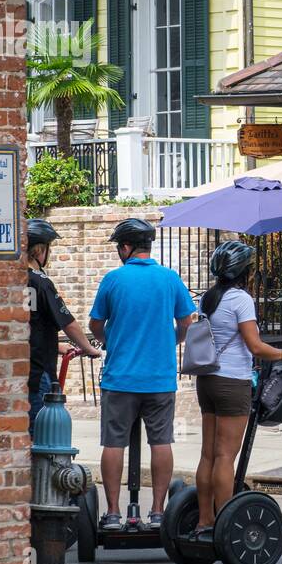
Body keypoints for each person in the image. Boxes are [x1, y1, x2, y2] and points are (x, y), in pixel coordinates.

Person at [88, 218, 196, 530]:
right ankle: (158, 512)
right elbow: (187, 322)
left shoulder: (113, 280)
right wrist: (169, 340)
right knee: (161, 441)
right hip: (159, 378)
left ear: (126, 247)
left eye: (118, 247)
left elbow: (96, 325)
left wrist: (112, 341)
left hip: (120, 377)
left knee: (113, 443)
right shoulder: (169, 278)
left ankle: (112, 513)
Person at [191, 241, 282, 540]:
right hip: (232, 382)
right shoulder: (240, 299)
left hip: (208, 380)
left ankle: (205, 520)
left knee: (208, 455)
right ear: (244, 271)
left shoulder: (208, 299)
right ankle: (225, 527)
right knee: (226, 456)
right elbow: (255, 346)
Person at [25, 218, 100, 429]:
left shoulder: (16, 279)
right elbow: (68, 323)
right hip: (40, 370)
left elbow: (29, 324)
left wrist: (56, 346)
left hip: (23, 366)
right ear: (40, 250)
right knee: (40, 432)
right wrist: (89, 348)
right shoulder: (41, 283)